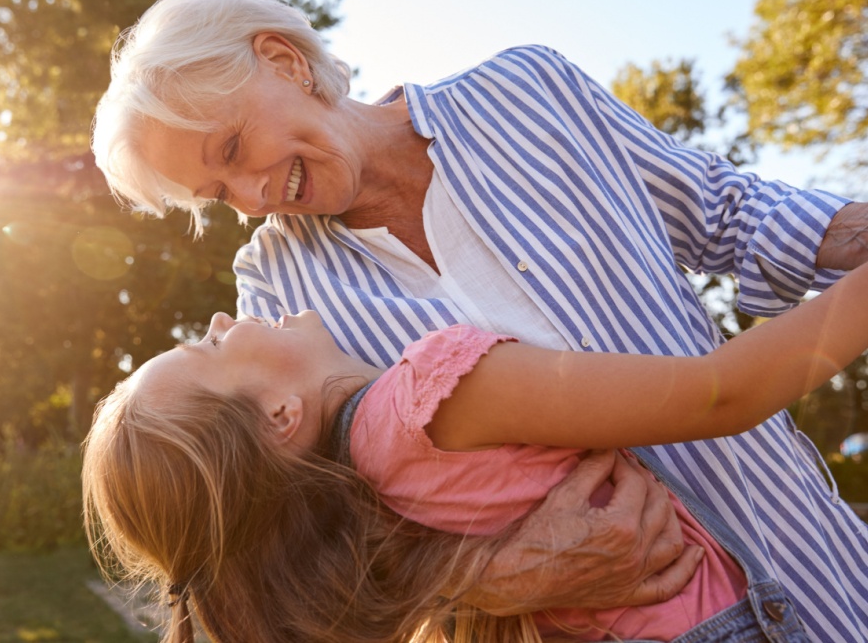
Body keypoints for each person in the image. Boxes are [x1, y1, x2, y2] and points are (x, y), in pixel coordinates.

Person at [90, 0, 868, 640]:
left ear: (285, 61)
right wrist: (484, 577)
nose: (254, 195)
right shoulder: (276, 299)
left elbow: (728, 212)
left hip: (808, 556)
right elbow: (307, 542)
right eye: (220, 194)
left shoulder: (528, 93)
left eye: (231, 150)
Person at [85, 258, 868, 642]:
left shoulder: (375, 489)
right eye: (207, 346)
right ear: (281, 415)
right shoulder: (434, 388)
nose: (225, 319)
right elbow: (718, 393)